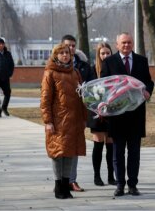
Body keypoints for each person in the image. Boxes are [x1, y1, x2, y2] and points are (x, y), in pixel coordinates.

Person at [100, 32, 154, 196]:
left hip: (136, 115)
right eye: (123, 43)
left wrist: (148, 91)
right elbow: (104, 85)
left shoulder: (141, 61)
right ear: (117, 45)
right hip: (117, 116)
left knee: (134, 153)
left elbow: (149, 82)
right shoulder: (109, 62)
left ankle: (132, 185)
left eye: (129, 42)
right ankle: (120, 185)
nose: (126, 45)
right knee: (118, 153)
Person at [40, 43, 87, 199]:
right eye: (61, 53)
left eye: (67, 53)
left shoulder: (75, 73)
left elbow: (82, 97)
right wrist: (48, 121)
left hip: (73, 120)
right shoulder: (50, 73)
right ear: (55, 56)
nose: (65, 55)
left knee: (70, 153)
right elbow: (45, 100)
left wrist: (83, 118)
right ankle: (58, 185)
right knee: (57, 154)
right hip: (58, 121)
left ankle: (66, 185)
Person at [61, 34, 92, 192]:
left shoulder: (83, 66)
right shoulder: (54, 66)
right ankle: (61, 181)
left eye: (73, 45)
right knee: (60, 149)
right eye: (68, 46)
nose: (71, 49)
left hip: (77, 114)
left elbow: (91, 88)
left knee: (74, 149)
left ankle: (72, 180)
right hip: (60, 115)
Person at [87, 42, 116, 186]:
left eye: (107, 53)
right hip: (97, 114)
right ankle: (97, 176)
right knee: (98, 145)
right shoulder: (92, 71)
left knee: (111, 146)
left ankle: (111, 176)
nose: (105, 56)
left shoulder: (115, 70)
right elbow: (87, 93)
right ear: (98, 55)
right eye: (102, 53)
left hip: (112, 113)